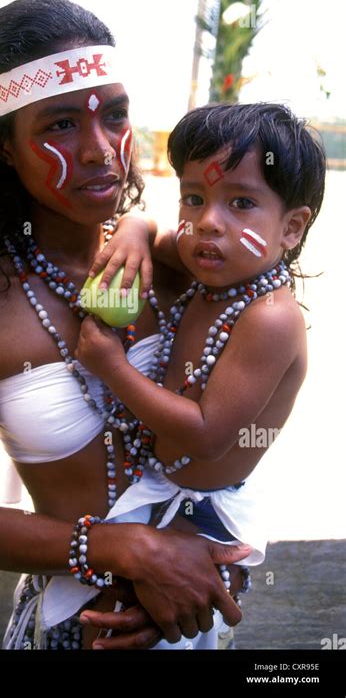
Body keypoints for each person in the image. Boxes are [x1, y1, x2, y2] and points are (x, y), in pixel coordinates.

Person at [0, 0, 252, 652]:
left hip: (201, 611)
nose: (98, 151)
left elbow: (274, 346)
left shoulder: (182, 263)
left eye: (114, 115)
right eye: (60, 124)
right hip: (73, 630)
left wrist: (144, 227)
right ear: (2, 146)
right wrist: (135, 553)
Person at [74, 102, 326, 630]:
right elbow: (151, 230)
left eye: (241, 202)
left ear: (292, 228)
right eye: (194, 198)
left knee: (164, 632)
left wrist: (112, 366)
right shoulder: (206, 264)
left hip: (204, 515)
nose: (208, 222)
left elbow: (208, 435)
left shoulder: (270, 318)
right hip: (158, 491)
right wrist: (134, 228)